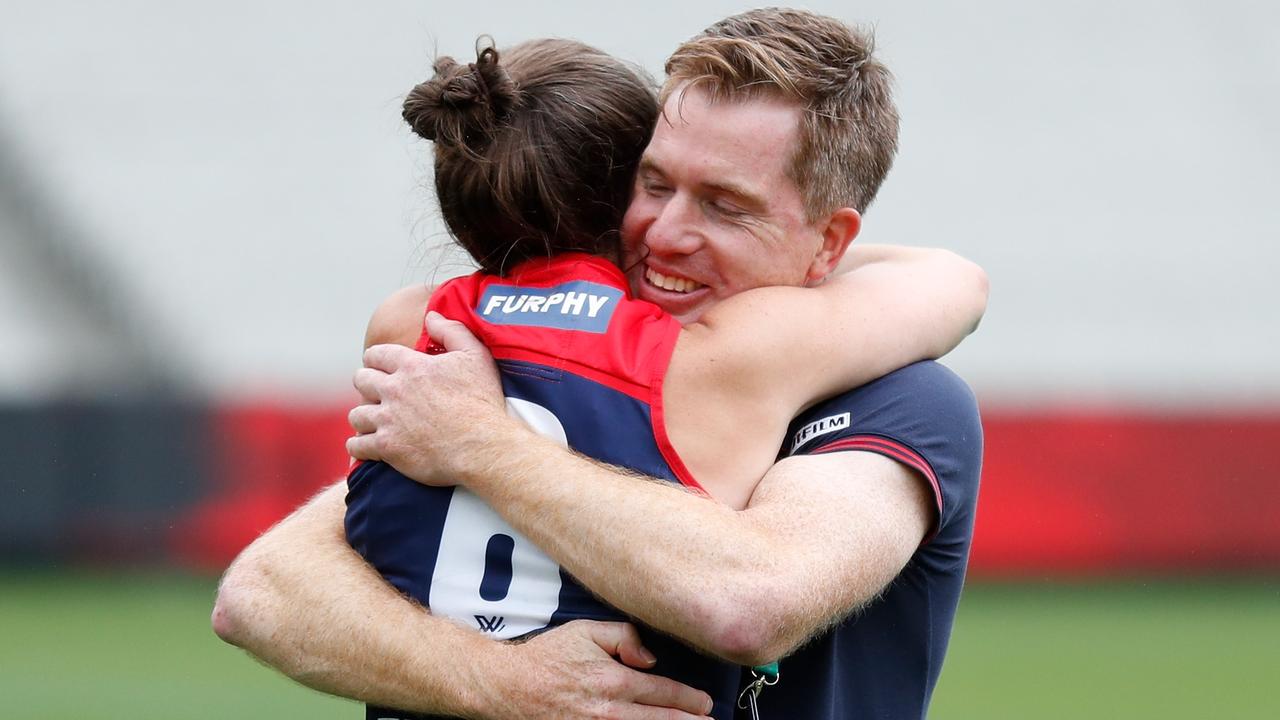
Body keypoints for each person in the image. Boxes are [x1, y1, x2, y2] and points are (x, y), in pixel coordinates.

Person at [214, 9, 985, 720]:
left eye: (725, 205)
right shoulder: (490, 373)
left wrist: (483, 445)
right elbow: (262, 591)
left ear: (830, 244)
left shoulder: (905, 401)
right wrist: (505, 683)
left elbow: (748, 601)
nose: (663, 233)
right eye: (650, 185)